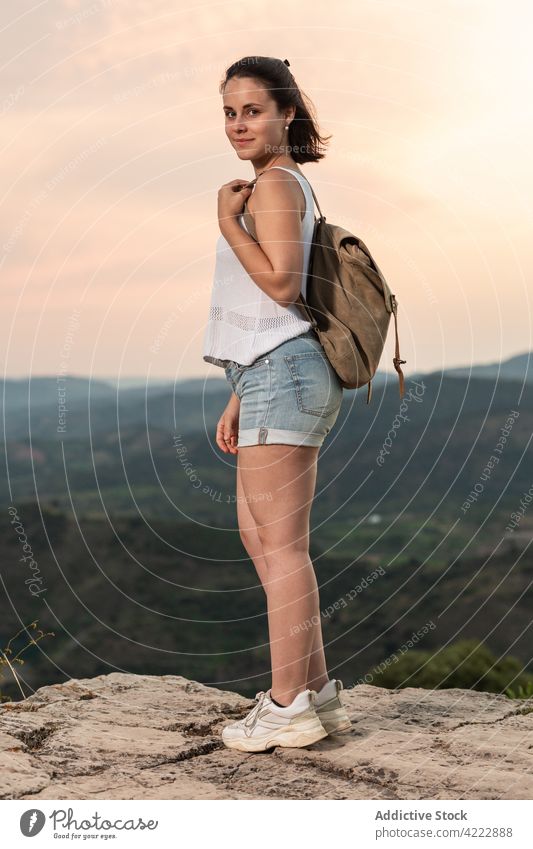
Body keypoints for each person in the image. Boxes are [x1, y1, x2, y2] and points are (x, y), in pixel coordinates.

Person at [202, 56, 351, 752]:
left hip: (285, 374)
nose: (238, 124)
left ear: (286, 112)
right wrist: (239, 391)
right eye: (230, 111)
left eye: (252, 110)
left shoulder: (271, 186)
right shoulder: (277, 184)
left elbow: (283, 287)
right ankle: (316, 693)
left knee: (281, 546)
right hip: (269, 375)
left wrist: (226, 222)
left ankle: (286, 704)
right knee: (262, 539)